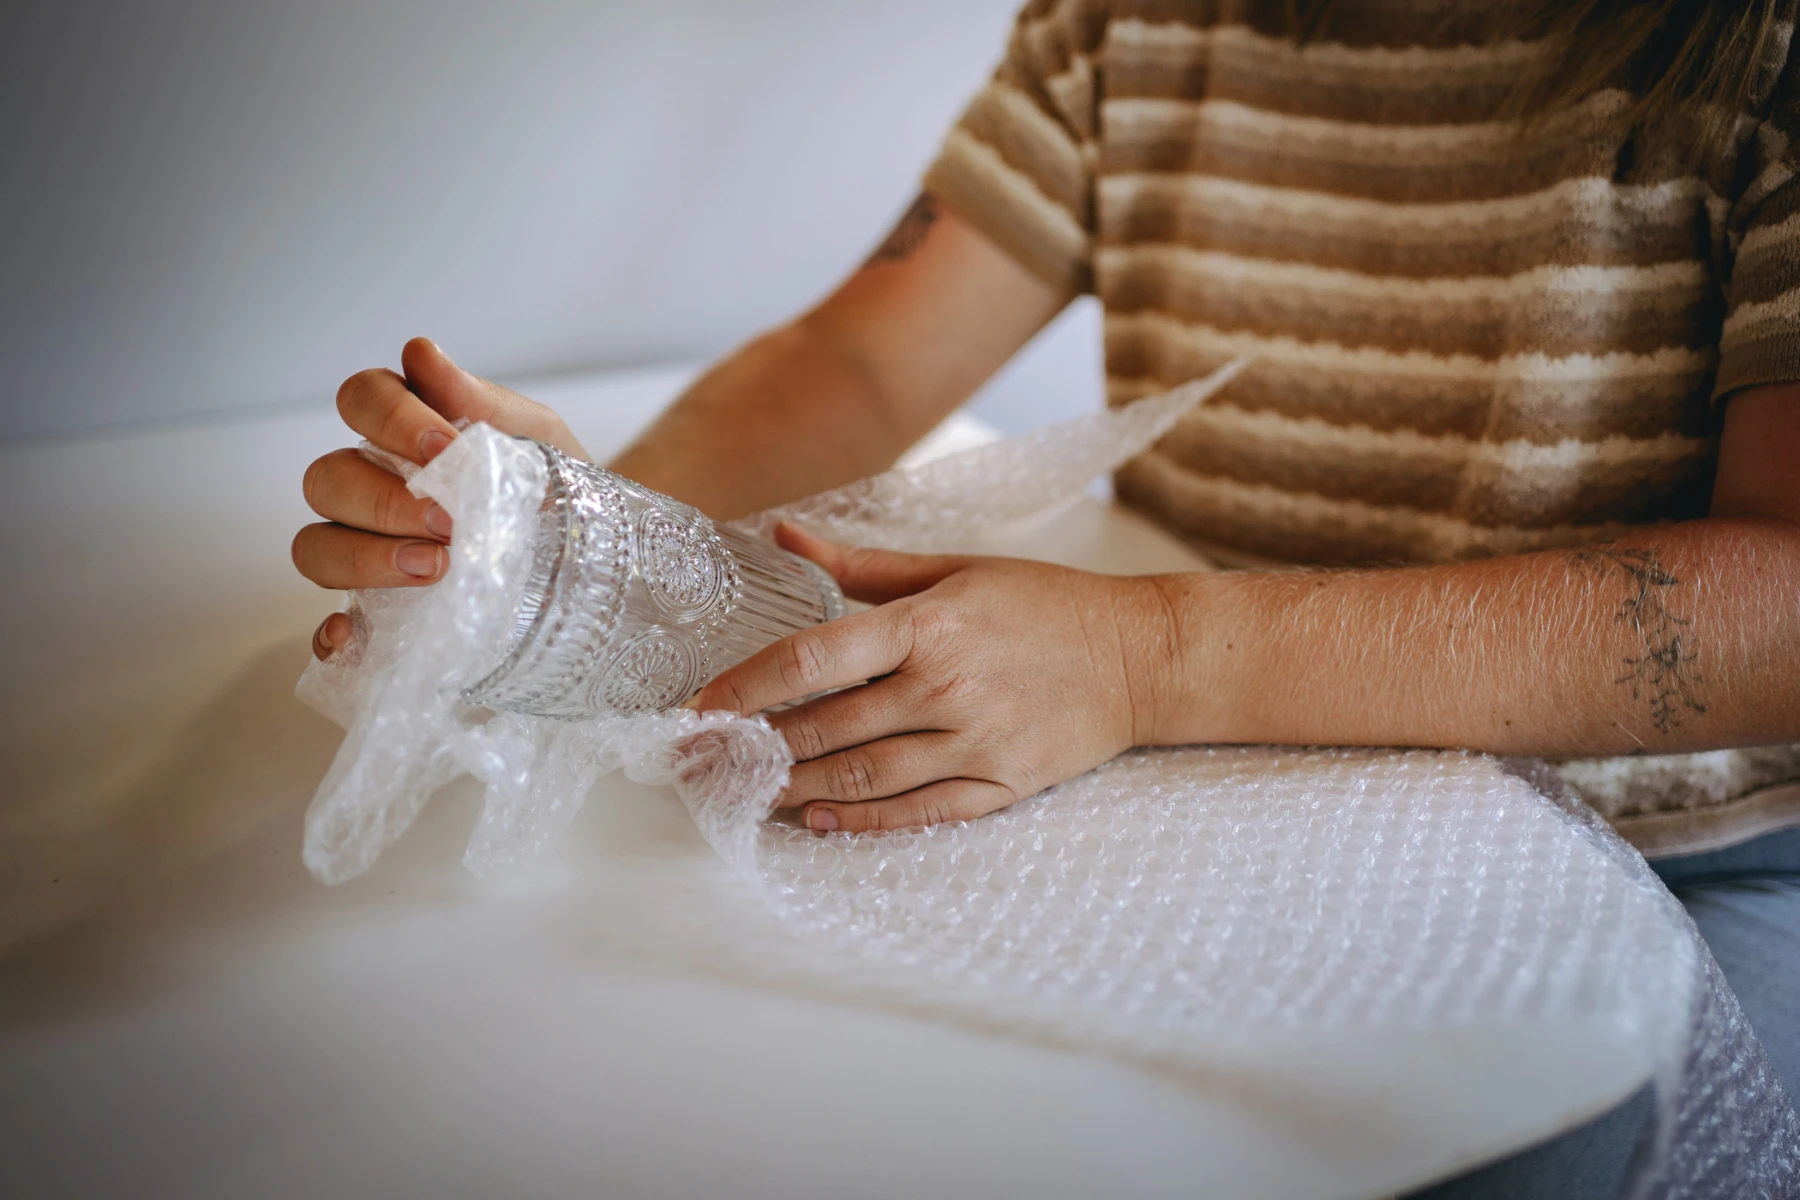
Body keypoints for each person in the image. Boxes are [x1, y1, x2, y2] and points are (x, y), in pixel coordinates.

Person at [292, 1, 1800, 1191]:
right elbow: (861, 362)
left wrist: (1147, 659)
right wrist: (580, 529)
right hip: (1234, 792)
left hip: (1687, 857)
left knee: (1510, 1153)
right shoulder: (1133, 24)